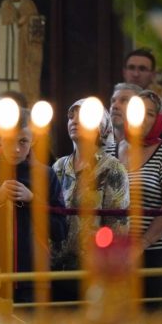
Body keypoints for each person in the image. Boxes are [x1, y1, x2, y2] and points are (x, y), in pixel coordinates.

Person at [0, 107, 67, 303]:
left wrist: (34, 201)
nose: (16, 149)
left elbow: (60, 230)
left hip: (33, 275)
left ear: (34, 140)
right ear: (0, 136)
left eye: (23, 141)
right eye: (10, 140)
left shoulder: (46, 175)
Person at [109, 90, 162, 304]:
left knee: (155, 317)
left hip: (157, 253)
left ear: (159, 120)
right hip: (116, 253)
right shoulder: (109, 151)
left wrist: (142, 243)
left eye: (150, 114)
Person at [52, 100, 129, 301]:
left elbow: (117, 226)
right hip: (56, 268)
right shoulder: (59, 166)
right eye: (71, 117)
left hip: (92, 269)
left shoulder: (112, 168)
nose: (74, 121)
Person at [0, 0, 44, 106]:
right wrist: (15, 25)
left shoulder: (29, 5)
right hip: (7, 55)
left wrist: (25, 24)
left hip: (24, 54)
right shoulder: (5, 5)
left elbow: (36, 30)